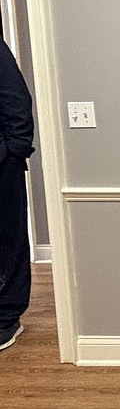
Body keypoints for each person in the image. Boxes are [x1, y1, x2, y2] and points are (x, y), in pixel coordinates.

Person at [0, 38, 34, 352]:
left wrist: (14, 152)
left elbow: (16, 100)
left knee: (8, 241)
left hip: (2, 165)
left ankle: (7, 318)